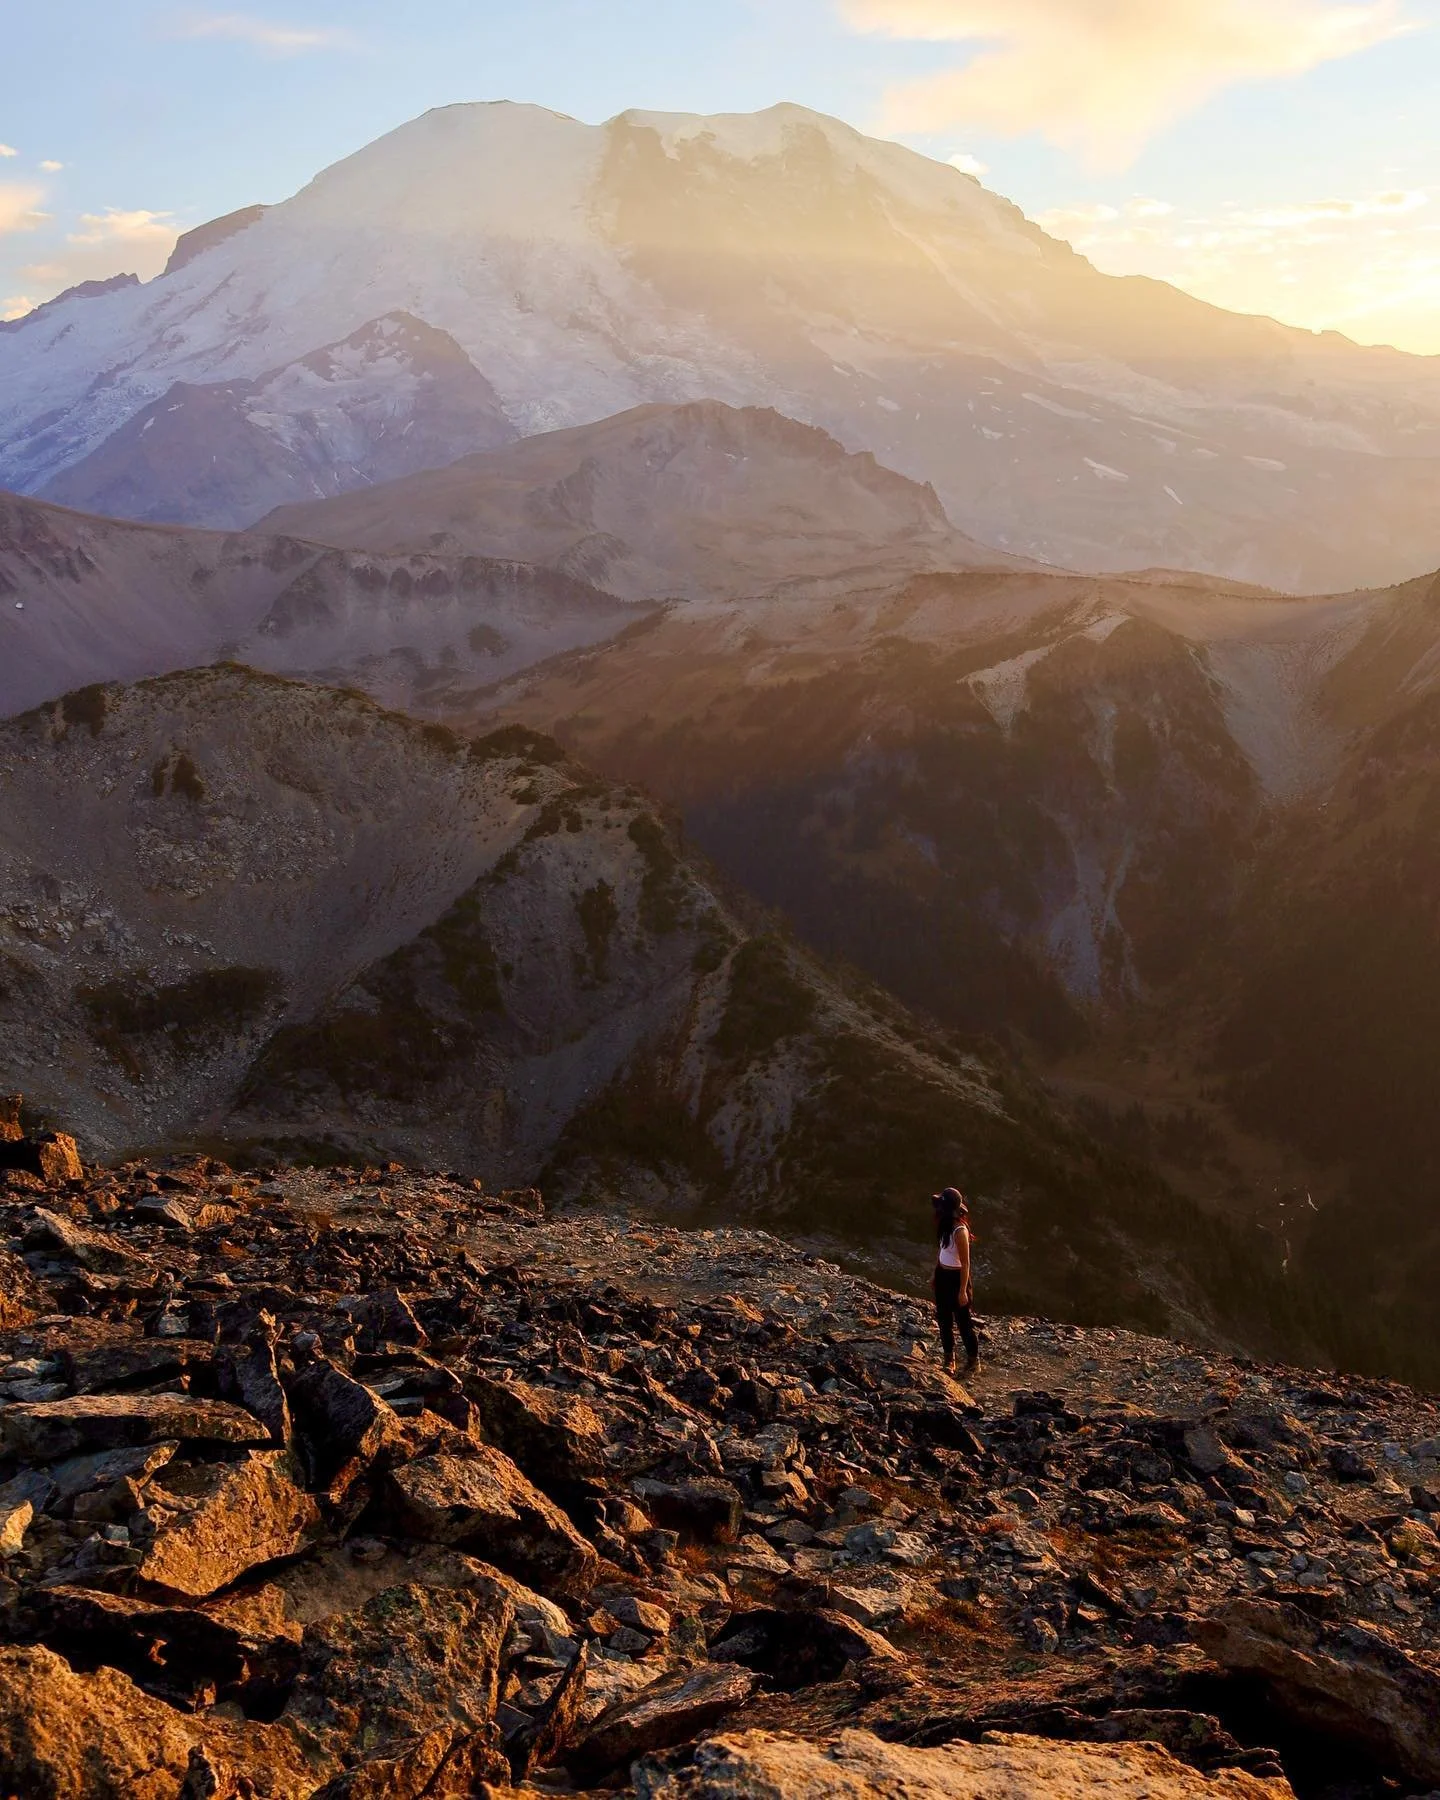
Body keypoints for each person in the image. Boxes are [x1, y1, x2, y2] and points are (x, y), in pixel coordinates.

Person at [932, 1186, 980, 1375]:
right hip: (943, 1274)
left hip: (956, 1278)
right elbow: (943, 1251)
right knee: (944, 1319)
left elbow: (965, 1264)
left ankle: (973, 1361)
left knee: (963, 1322)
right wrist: (935, 1273)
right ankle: (949, 1359)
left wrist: (962, 1291)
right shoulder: (945, 1225)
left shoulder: (960, 1231)